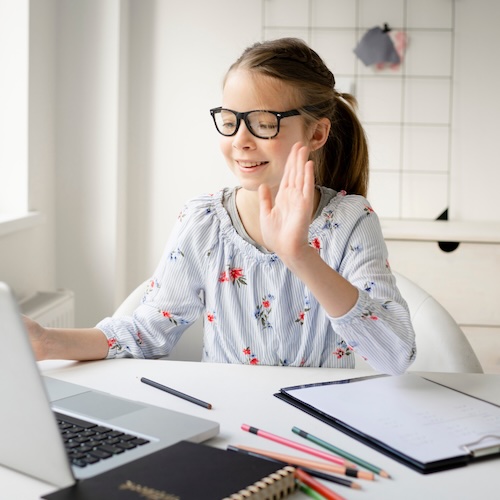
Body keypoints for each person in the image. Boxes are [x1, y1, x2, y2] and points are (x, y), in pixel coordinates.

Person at [26, 37, 416, 375]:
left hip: (322, 423)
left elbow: (395, 355)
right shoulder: (205, 222)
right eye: (230, 120)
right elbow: (148, 333)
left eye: (264, 122)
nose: (240, 140)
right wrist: (46, 342)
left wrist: (300, 256)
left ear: (316, 133)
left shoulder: (350, 221)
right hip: (231, 418)